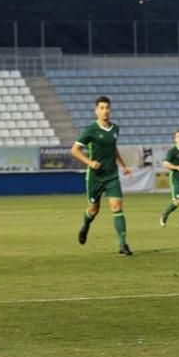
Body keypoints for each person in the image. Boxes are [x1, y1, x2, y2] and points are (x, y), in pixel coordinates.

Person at [71, 96, 133, 255]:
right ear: (96, 111)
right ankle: (85, 225)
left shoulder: (115, 129)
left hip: (112, 175)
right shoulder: (90, 130)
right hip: (95, 177)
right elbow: (75, 150)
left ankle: (122, 245)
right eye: (102, 108)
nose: (105, 111)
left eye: (107, 108)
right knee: (93, 210)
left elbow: (113, 149)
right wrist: (89, 162)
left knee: (117, 207)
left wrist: (123, 165)